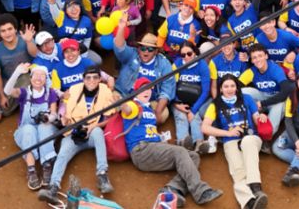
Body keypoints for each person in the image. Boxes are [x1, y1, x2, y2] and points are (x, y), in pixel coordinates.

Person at [122, 77, 224, 205]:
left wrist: (160, 137)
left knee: (193, 156)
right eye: (143, 88)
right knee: (180, 152)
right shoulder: (134, 105)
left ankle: (173, 189)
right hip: (141, 150)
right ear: (136, 91)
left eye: (149, 88)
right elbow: (127, 109)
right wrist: (121, 103)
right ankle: (201, 192)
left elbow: (148, 130)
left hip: (152, 148)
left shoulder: (149, 109)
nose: (147, 91)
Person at [38, 65, 117, 203]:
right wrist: (64, 119)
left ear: (100, 79)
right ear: (83, 79)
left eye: (95, 77)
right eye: (88, 77)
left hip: (92, 132)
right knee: (62, 154)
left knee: (98, 132)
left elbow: (109, 118)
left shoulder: (106, 91)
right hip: (73, 133)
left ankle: (102, 176)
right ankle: (53, 188)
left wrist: (94, 126)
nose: (91, 80)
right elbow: (65, 113)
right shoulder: (74, 90)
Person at [202, 75, 269, 209]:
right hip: (230, 140)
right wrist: (228, 133)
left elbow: (256, 119)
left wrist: (261, 117)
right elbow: (205, 127)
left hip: (251, 137)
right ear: (220, 89)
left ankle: (256, 188)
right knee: (238, 172)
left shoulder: (247, 99)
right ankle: (249, 201)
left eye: (232, 86)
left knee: (248, 141)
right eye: (226, 86)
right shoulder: (215, 104)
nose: (230, 89)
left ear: (237, 87)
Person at [2, 62, 60, 189]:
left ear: (46, 80)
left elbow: (54, 114)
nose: (38, 78)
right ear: (31, 78)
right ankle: (31, 169)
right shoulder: (24, 93)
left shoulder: (50, 93)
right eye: (36, 75)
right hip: (26, 130)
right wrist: (17, 72)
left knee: (44, 128)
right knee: (29, 130)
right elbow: (7, 91)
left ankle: (46, 166)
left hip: (45, 129)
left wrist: (48, 118)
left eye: (42, 76)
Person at [114, 13, 175, 123]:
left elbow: (166, 91)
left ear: (156, 51)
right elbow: (119, 47)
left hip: (149, 102)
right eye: (143, 48)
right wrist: (121, 28)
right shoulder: (132, 54)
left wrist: (157, 112)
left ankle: (137, 122)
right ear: (138, 48)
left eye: (150, 49)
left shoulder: (164, 64)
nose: (146, 51)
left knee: (164, 113)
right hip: (125, 96)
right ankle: (136, 120)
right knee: (110, 102)